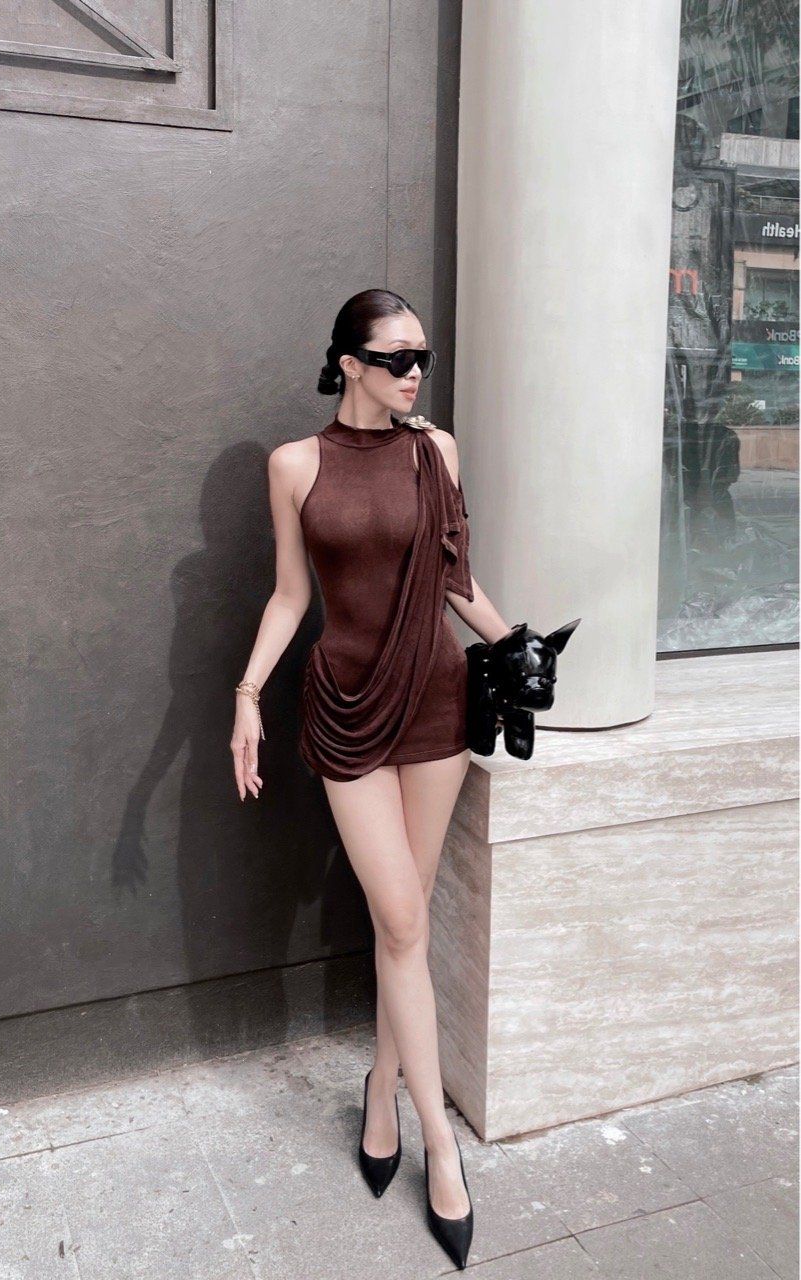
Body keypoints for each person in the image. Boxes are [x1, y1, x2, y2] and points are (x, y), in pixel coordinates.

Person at [230, 288, 512, 1269]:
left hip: (435, 701)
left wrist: (516, 644)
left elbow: (453, 579)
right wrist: (246, 694)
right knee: (399, 921)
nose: (413, 373)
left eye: (420, 357)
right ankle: (441, 1145)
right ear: (347, 361)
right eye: (395, 358)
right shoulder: (293, 464)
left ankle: (382, 1091)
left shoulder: (435, 452)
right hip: (344, 707)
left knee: (406, 924)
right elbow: (290, 594)